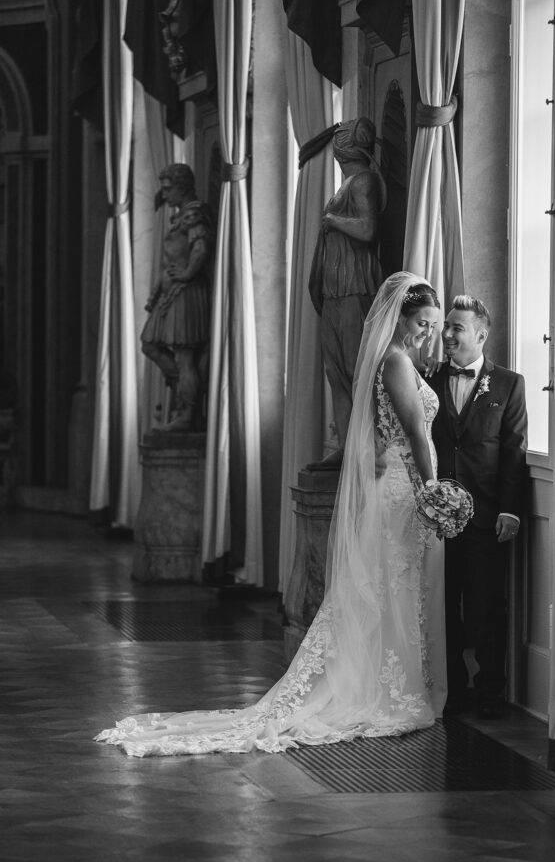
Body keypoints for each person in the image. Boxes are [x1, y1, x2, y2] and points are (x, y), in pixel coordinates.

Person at [96, 272, 448, 756]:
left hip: (399, 487)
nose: (428, 332)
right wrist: (432, 490)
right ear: (402, 318)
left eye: (434, 325)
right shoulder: (396, 362)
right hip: (404, 489)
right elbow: (414, 434)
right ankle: (386, 690)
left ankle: (397, 683)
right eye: (423, 323)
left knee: (393, 588)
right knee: (389, 586)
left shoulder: (399, 359)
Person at [425, 296, 528, 719]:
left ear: (481, 335)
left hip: (487, 516)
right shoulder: (426, 379)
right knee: (443, 607)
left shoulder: (509, 383)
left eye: (457, 328)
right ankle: (452, 691)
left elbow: (514, 451)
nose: (446, 334)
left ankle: (490, 691)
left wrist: (510, 509)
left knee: (487, 606)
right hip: (436, 519)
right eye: (446, 326)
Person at [308, 117, 386, 469]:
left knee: (357, 372)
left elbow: (368, 229)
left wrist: (332, 220)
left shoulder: (364, 181)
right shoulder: (348, 184)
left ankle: (366, 447)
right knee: (336, 372)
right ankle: (344, 446)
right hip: (335, 289)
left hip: (355, 285)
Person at [141, 164, 213, 432]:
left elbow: (201, 248)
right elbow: (175, 256)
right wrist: (157, 291)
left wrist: (186, 274)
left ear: (183, 187)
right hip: (172, 294)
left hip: (187, 294)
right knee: (150, 345)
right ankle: (188, 392)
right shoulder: (182, 215)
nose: (165, 193)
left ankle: (187, 412)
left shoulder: (193, 214)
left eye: (169, 188)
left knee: (184, 357)